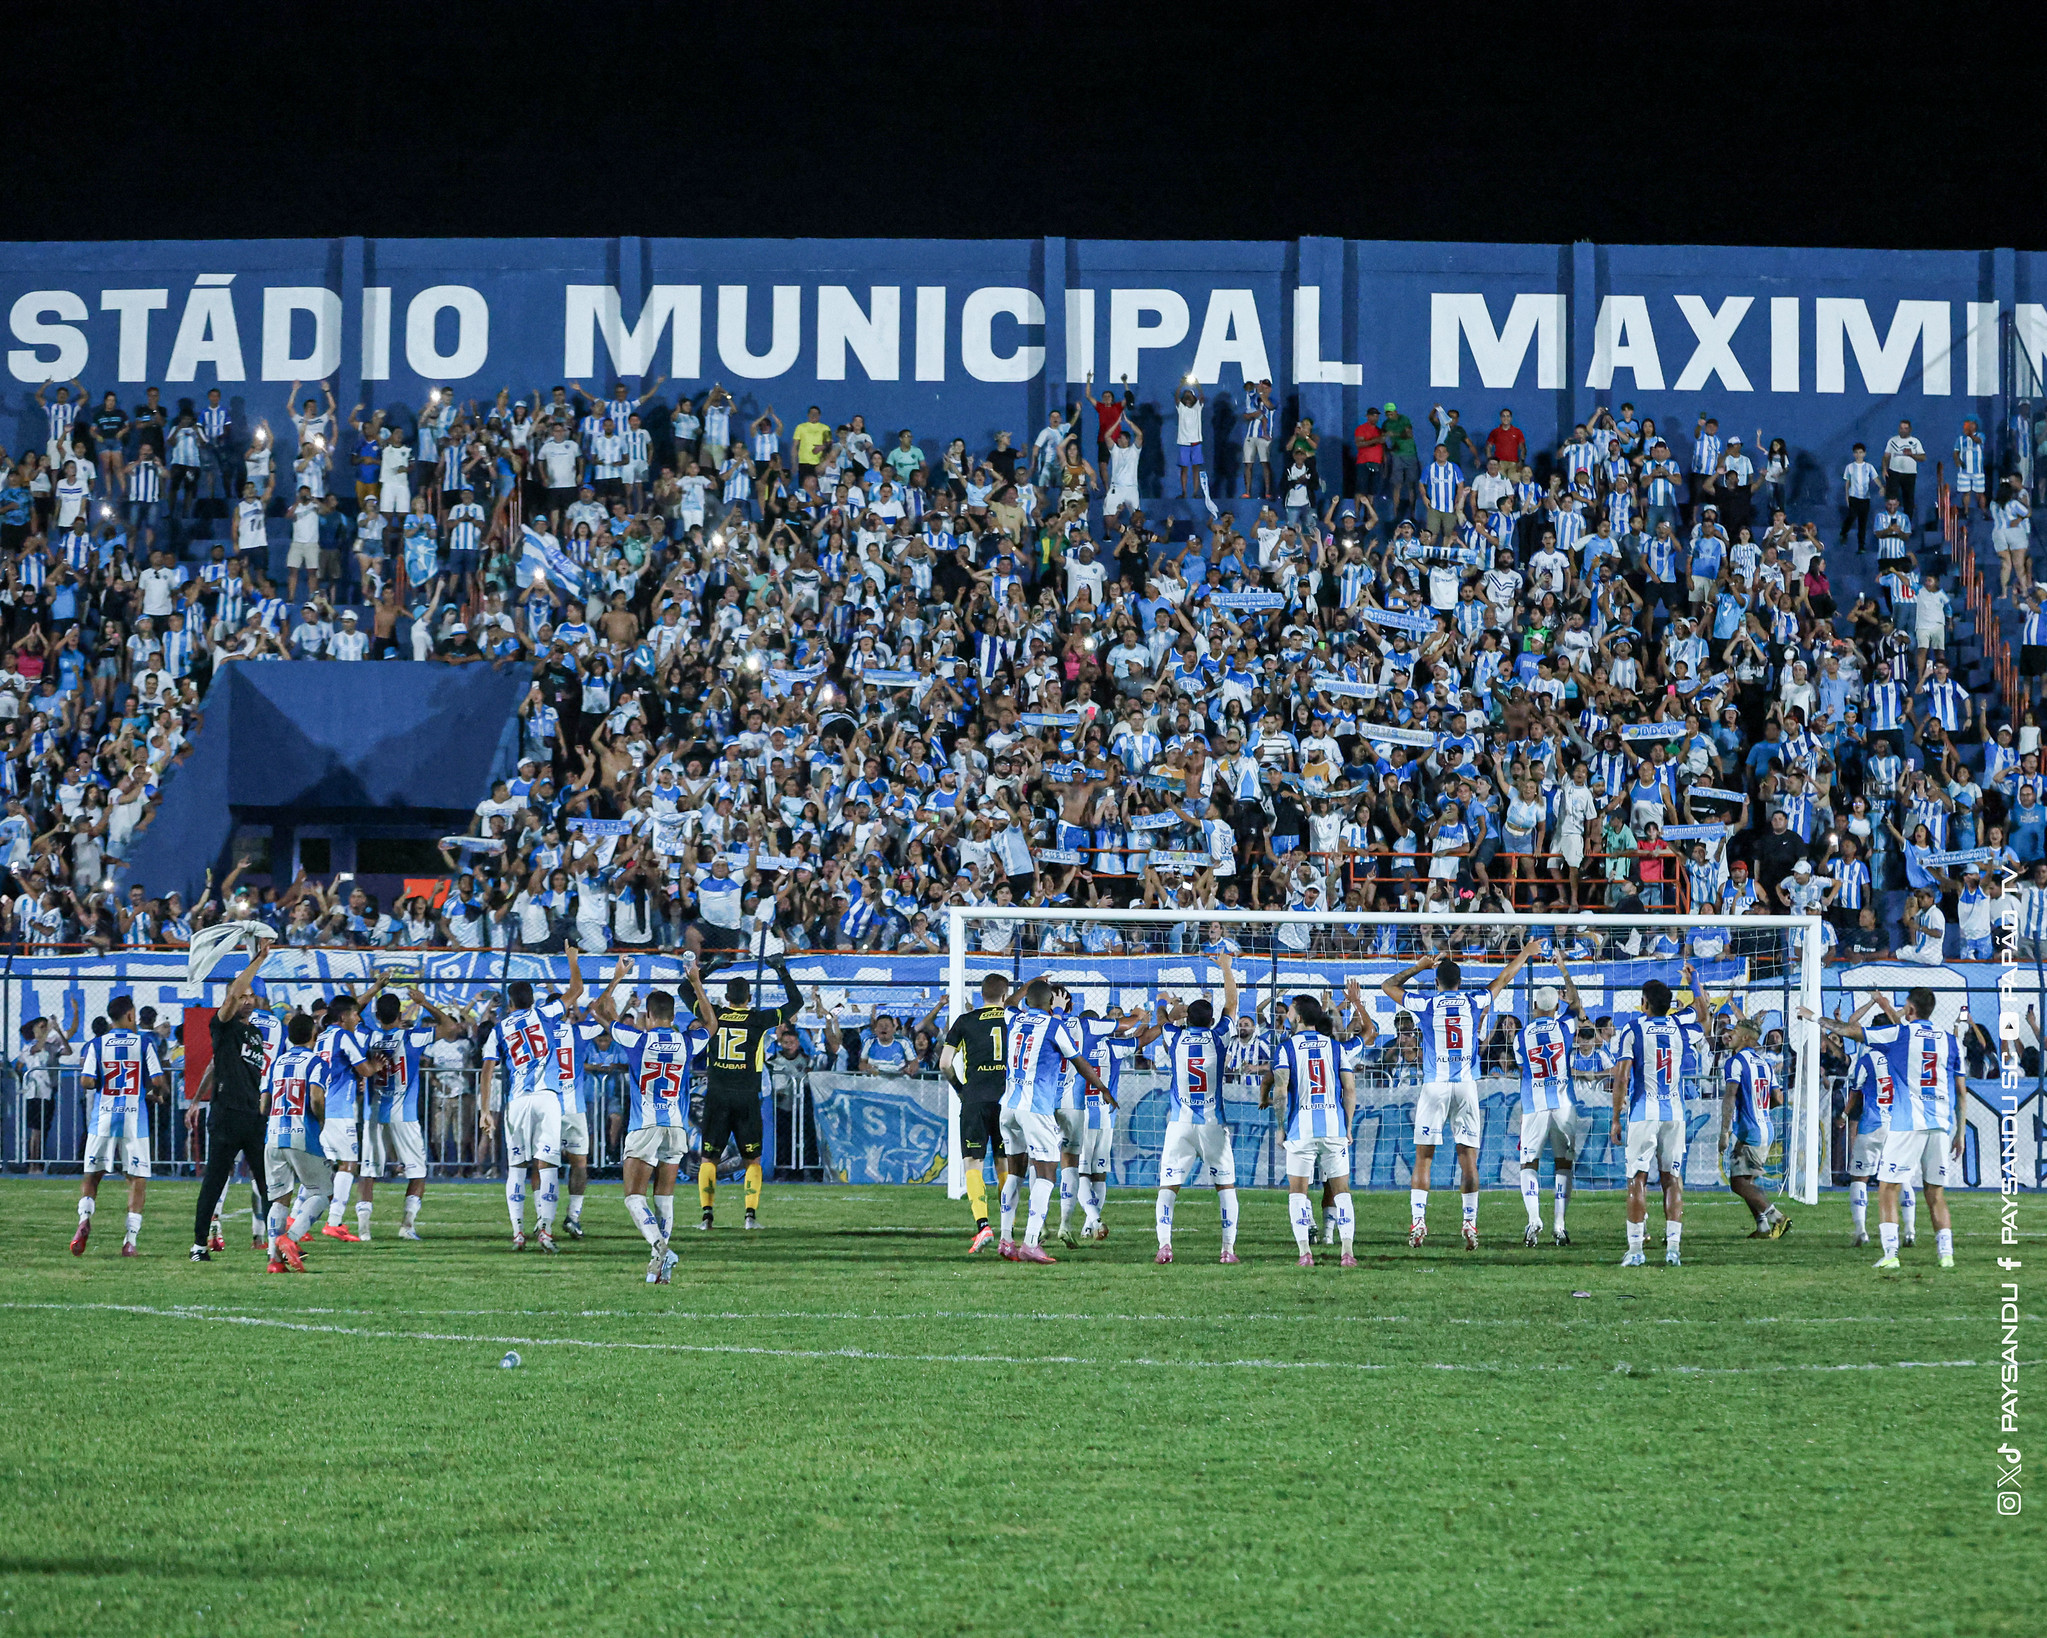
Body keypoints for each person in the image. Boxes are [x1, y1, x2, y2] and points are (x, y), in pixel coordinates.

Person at [1383, 940, 1534, 1249]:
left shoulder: (1425, 1003)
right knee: (1468, 1158)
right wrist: (1525, 953)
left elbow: (1388, 985)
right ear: (1460, 982)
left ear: (1437, 983)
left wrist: (1418, 967)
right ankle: (1469, 1222)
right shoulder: (1474, 1000)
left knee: (1423, 1159)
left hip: (1435, 1086)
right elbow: (1505, 977)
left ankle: (1419, 1221)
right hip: (1466, 1086)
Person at [1807, 986, 1962, 1270]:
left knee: (1887, 1187)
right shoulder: (1950, 1041)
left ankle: (1891, 1253)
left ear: (1911, 1010)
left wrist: (1816, 1018)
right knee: (1935, 1194)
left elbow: (1852, 1031)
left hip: (1906, 1124)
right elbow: (1960, 1089)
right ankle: (1946, 1254)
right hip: (1940, 1124)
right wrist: (1959, 1132)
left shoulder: (1900, 1034)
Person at [683, 951, 802, 1230]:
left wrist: (708, 969)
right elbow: (796, 1002)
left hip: (718, 1095)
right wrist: (781, 970)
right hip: (747, 1096)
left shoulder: (713, 1014)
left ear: (726, 998)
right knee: (753, 1160)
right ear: (749, 998)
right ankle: (750, 1217)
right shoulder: (759, 1020)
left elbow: (682, 990)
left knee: (709, 1158)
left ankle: (707, 1217)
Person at [1138, 952, 1243, 1264]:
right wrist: (1226, 967)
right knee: (1225, 1186)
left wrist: (1169, 1004)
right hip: (1213, 1123)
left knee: (1168, 1186)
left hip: (1180, 1124)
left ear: (1187, 1019)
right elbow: (1232, 1004)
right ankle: (1227, 1250)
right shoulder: (1220, 1036)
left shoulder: (1174, 1035)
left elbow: (1162, 1020)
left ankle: (1165, 1246)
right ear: (1210, 1021)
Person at [607, 963, 707, 1285]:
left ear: (648, 1015)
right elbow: (712, 1024)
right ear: (673, 1015)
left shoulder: (636, 1039)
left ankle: (660, 1248)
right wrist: (696, 981)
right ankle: (659, 1267)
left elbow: (599, 1011)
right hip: (676, 1127)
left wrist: (617, 978)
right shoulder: (687, 1042)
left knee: (634, 1197)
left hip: (645, 1125)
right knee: (665, 1198)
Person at [994, 976, 1106, 1263]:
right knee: (1046, 1173)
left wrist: (1031, 983)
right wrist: (1102, 1088)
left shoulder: (1014, 1019)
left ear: (1029, 1000)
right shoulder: (1054, 1026)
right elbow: (1079, 1062)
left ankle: (1006, 1239)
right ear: (1050, 1003)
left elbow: (1008, 1002)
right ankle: (1031, 1242)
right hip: (1035, 1108)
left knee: (1016, 1173)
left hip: (1008, 1106)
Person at [187, 945, 275, 1261]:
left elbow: (214, 1066)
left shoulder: (253, 1033)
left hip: (252, 1116)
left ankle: (277, 1245)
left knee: (268, 1183)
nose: (247, 999)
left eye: (251, 996)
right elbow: (233, 992)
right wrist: (259, 959)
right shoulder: (221, 1025)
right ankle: (199, 1245)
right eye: (242, 996)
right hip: (226, 1115)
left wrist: (196, 1099)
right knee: (215, 1181)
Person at [480, 971, 576, 1251]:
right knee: (547, 1167)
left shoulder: (500, 1028)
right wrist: (571, 960)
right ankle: (545, 1231)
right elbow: (577, 990)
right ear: (533, 999)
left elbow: (488, 1068)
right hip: (547, 1098)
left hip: (518, 1102)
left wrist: (486, 1109)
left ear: (510, 1003)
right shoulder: (545, 1014)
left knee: (517, 1168)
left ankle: (518, 1233)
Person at [69, 992, 169, 1258]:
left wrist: (106, 1084)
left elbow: (86, 1082)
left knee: (92, 1175)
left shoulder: (97, 1044)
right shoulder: (144, 1042)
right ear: (130, 1015)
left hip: (103, 1116)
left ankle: (84, 1219)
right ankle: (130, 1241)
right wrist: (148, 1091)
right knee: (137, 1179)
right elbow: (158, 1081)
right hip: (134, 1119)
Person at [1270, 988, 1364, 1266]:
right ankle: (1347, 1251)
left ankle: (1304, 1254)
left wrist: (1280, 1126)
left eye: (1289, 1010)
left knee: (1298, 1191)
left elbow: (1280, 1088)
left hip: (1301, 1130)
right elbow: (1349, 1089)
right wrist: (1347, 1127)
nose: (1286, 1014)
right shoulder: (1335, 1047)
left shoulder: (1286, 1047)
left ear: (1297, 1017)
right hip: (1334, 1127)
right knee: (1342, 1190)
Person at [358, 986, 454, 1241]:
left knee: (369, 1171)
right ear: (400, 1014)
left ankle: (364, 1229)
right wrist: (425, 1003)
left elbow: (351, 1012)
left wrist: (375, 988)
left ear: (377, 1015)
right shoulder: (412, 1037)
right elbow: (450, 1027)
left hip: (375, 1112)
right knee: (417, 1172)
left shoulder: (367, 1036)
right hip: (405, 1114)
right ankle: (407, 1225)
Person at [1609, 978, 1689, 1268]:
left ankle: (1635, 1250)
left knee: (1637, 1179)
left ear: (1644, 1003)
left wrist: (1616, 1117)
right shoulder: (1681, 1027)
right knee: (1671, 1179)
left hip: (1645, 1112)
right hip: (1675, 1112)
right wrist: (1696, 986)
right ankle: (1673, 1250)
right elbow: (1703, 1017)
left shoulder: (1633, 1029)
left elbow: (1622, 1077)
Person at [939, 972, 1012, 1253]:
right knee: (1005, 1163)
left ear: (982, 995)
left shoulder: (965, 1021)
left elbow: (945, 1062)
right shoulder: (1012, 1018)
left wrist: (960, 1088)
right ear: (1004, 996)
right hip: (1007, 1100)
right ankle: (1010, 1228)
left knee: (973, 1162)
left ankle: (983, 1226)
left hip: (974, 1100)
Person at [1515, 957, 1582, 1248]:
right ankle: (1559, 1225)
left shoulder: (1521, 1036)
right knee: (1563, 1163)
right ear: (1556, 1007)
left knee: (1529, 1162)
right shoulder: (1565, 1027)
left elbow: (1522, 1066)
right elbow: (1577, 1005)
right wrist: (1564, 969)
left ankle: (1533, 1219)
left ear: (1534, 1008)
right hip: (1564, 1104)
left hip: (1535, 1106)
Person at [259, 1012, 331, 1274]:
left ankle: (274, 1260)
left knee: (280, 1199)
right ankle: (291, 1237)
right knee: (323, 1192)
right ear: (314, 1035)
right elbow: (316, 1098)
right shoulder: (316, 1062)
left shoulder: (275, 1063)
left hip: (274, 1134)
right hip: (301, 1133)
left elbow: (264, 1104)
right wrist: (320, 1120)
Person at [313, 988, 382, 1243]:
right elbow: (364, 1069)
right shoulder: (343, 1036)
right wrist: (376, 1066)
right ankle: (334, 1222)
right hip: (339, 1109)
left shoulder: (322, 1037)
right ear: (343, 1017)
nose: (358, 1018)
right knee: (348, 1163)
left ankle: (295, 1216)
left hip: (322, 1106)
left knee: (323, 1167)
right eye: (355, 1014)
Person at [1719, 1012, 1791, 1240]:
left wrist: (1724, 1131)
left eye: (1736, 1032)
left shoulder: (1735, 1063)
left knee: (1739, 1184)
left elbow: (1730, 1097)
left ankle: (1777, 1218)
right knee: (1745, 1180)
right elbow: (1778, 1099)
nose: (1731, 1034)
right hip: (1764, 1127)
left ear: (1747, 1039)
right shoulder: (1766, 1064)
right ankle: (1761, 1227)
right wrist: (1759, 1108)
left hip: (1750, 1130)